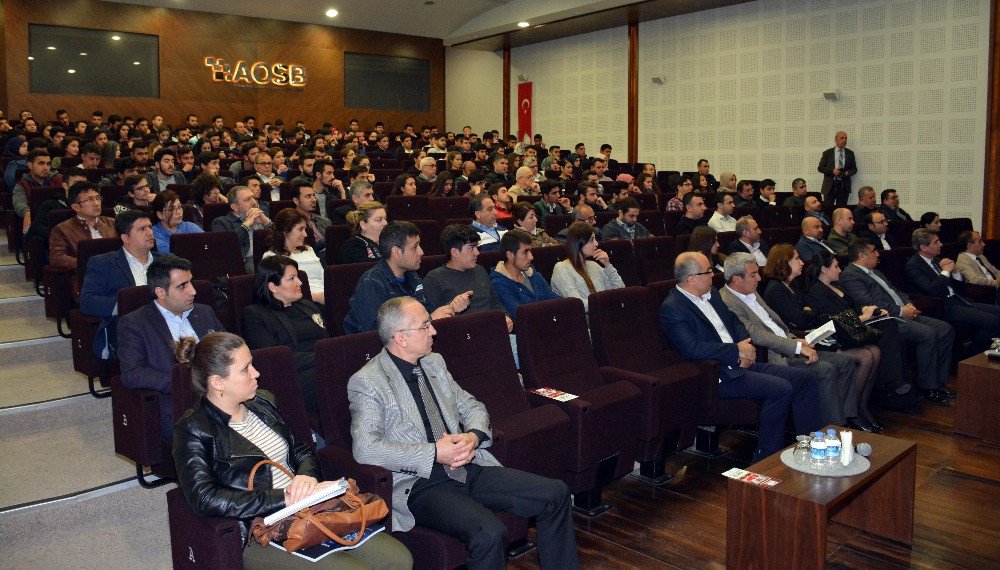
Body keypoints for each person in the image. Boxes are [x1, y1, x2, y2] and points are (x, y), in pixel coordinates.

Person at [347, 296, 577, 569]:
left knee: (555, 493)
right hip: (421, 484)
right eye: (425, 326)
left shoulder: (434, 363)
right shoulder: (368, 381)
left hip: (468, 466)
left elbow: (471, 405)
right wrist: (434, 453)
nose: (434, 330)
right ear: (401, 338)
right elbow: (365, 447)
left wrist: (474, 436)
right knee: (490, 533)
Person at [172, 332, 413, 569]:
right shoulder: (194, 429)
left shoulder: (263, 402)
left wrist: (306, 477)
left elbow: (301, 451)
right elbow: (205, 498)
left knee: (399, 560)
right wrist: (283, 497)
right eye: (245, 369)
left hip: (308, 509)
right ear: (217, 382)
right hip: (261, 530)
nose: (256, 373)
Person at [659, 251, 822, 460]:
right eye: (707, 272)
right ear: (691, 279)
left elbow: (735, 321)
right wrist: (736, 352)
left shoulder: (712, 294)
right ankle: (765, 458)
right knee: (781, 389)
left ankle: (811, 446)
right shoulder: (673, 308)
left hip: (741, 362)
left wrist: (744, 345)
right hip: (718, 373)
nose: (713, 275)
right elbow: (692, 349)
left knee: (806, 379)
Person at [720, 253, 858, 426]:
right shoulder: (727, 301)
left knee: (845, 362)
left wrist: (796, 340)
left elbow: (775, 324)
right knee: (825, 369)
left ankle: (847, 417)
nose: (759, 278)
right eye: (753, 274)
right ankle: (834, 427)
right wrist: (795, 346)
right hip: (775, 355)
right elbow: (755, 334)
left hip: (790, 344)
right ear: (737, 279)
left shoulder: (751, 291)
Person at [118, 255, 223, 442]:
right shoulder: (135, 324)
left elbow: (228, 351)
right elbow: (132, 373)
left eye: (191, 282)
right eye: (182, 286)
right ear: (160, 292)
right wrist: (185, 382)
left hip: (222, 393)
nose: (193, 291)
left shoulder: (204, 312)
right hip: (180, 402)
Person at [838, 239, 955, 406]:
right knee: (928, 334)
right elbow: (869, 303)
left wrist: (909, 305)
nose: (877, 254)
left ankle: (938, 380)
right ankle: (928, 386)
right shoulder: (851, 276)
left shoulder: (876, 272)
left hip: (904, 312)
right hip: (888, 319)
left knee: (945, 329)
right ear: (861, 255)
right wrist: (901, 311)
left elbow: (897, 291)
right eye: (873, 251)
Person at [804, 250, 914, 421]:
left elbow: (853, 306)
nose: (840, 269)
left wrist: (867, 310)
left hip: (856, 328)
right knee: (886, 329)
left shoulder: (836, 285)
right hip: (841, 336)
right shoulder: (816, 291)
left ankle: (863, 405)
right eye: (836, 266)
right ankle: (890, 383)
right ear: (824, 269)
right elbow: (835, 321)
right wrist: (864, 317)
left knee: (887, 326)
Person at [343, 221, 471, 334]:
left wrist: (451, 308)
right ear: (396, 252)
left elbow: (426, 310)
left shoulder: (412, 276)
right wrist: (430, 319)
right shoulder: (371, 283)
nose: (421, 252)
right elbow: (380, 333)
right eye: (415, 247)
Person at [241, 255, 328, 417]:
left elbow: (329, 342)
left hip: (323, 365)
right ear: (273, 286)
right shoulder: (255, 314)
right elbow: (272, 358)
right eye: (292, 278)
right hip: (293, 377)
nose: (300, 283)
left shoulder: (308, 306)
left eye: (298, 277)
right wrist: (324, 357)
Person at [903, 229, 1000, 354]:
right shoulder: (913, 266)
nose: (941, 244)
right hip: (943, 306)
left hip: (959, 300)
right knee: (993, 321)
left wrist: (955, 273)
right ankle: (971, 358)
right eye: (936, 242)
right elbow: (932, 291)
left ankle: (979, 353)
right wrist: (945, 272)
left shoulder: (937, 260)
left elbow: (961, 288)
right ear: (923, 247)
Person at [79, 210, 157, 359]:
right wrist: (124, 303)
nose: (150, 233)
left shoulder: (166, 262)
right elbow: (87, 302)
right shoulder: (103, 263)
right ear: (125, 238)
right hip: (129, 328)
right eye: (142, 229)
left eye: (150, 227)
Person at [423, 225, 513, 335]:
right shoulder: (434, 279)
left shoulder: (479, 270)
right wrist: (453, 308)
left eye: (477, 247)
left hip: (493, 330)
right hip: (464, 337)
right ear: (455, 252)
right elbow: (433, 321)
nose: (477, 252)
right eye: (471, 248)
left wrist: (505, 315)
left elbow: (495, 302)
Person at [551, 222, 625, 312]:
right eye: (591, 240)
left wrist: (608, 265)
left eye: (595, 239)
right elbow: (577, 304)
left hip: (604, 314)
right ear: (578, 242)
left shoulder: (594, 265)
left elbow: (620, 291)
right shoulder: (561, 269)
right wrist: (608, 303)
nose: (596, 243)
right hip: (584, 321)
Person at [49, 182, 118, 278]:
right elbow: (57, 258)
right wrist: (89, 264)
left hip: (118, 272)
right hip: (87, 277)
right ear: (76, 207)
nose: (97, 203)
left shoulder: (113, 223)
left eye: (98, 198)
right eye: (90, 199)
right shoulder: (61, 229)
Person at [491, 230, 560, 316]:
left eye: (530, 251)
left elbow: (556, 301)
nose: (531, 257)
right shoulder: (499, 284)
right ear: (510, 255)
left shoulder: (533, 274)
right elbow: (520, 315)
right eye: (525, 252)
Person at [262, 210, 325, 303]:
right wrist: (317, 297)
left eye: (305, 229)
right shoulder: (272, 257)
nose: (306, 234)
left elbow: (322, 276)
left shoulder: (308, 250)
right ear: (285, 232)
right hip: (301, 303)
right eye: (300, 229)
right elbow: (278, 292)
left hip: (324, 296)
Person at [212, 186, 273, 273]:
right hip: (246, 262)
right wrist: (247, 224)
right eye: (248, 199)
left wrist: (266, 222)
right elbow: (226, 245)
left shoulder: (261, 218)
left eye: (253, 198)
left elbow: (283, 238)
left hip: (270, 258)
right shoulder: (221, 222)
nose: (254, 202)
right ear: (235, 207)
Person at [290, 182, 332, 259]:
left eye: (314, 196)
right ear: (296, 201)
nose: (314, 200)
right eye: (308, 196)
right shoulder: (291, 224)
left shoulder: (325, 221)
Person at [818, 131, 857, 206]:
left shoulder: (850, 153)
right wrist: (832, 171)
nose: (844, 140)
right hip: (830, 186)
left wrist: (847, 173)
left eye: (846, 138)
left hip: (843, 186)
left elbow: (854, 169)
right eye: (842, 138)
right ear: (836, 140)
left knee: (842, 210)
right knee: (828, 209)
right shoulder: (827, 153)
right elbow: (820, 168)